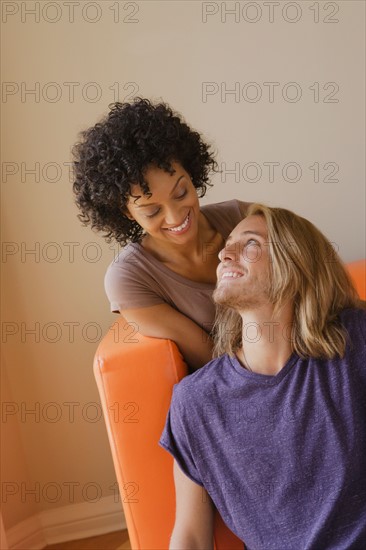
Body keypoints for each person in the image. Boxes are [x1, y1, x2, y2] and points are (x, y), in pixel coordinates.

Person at [159, 203, 366, 549]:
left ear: (295, 263)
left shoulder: (354, 342)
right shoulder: (195, 401)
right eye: (228, 244)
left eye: (251, 243)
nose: (226, 252)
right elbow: (191, 536)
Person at [72, 98, 250, 370]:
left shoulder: (241, 218)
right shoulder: (130, 278)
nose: (175, 217)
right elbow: (214, 362)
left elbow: (316, 266)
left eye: (181, 193)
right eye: (152, 211)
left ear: (191, 174)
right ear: (126, 211)